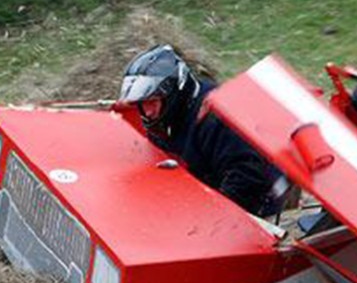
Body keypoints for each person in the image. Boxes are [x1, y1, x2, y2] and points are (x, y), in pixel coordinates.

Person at [118, 44, 285, 217]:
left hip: (257, 205)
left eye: (152, 102)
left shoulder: (216, 116)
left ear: (174, 94)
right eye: (142, 105)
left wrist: (209, 219)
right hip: (208, 193)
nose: (149, 112)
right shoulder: (166, 120)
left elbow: (247, 177)